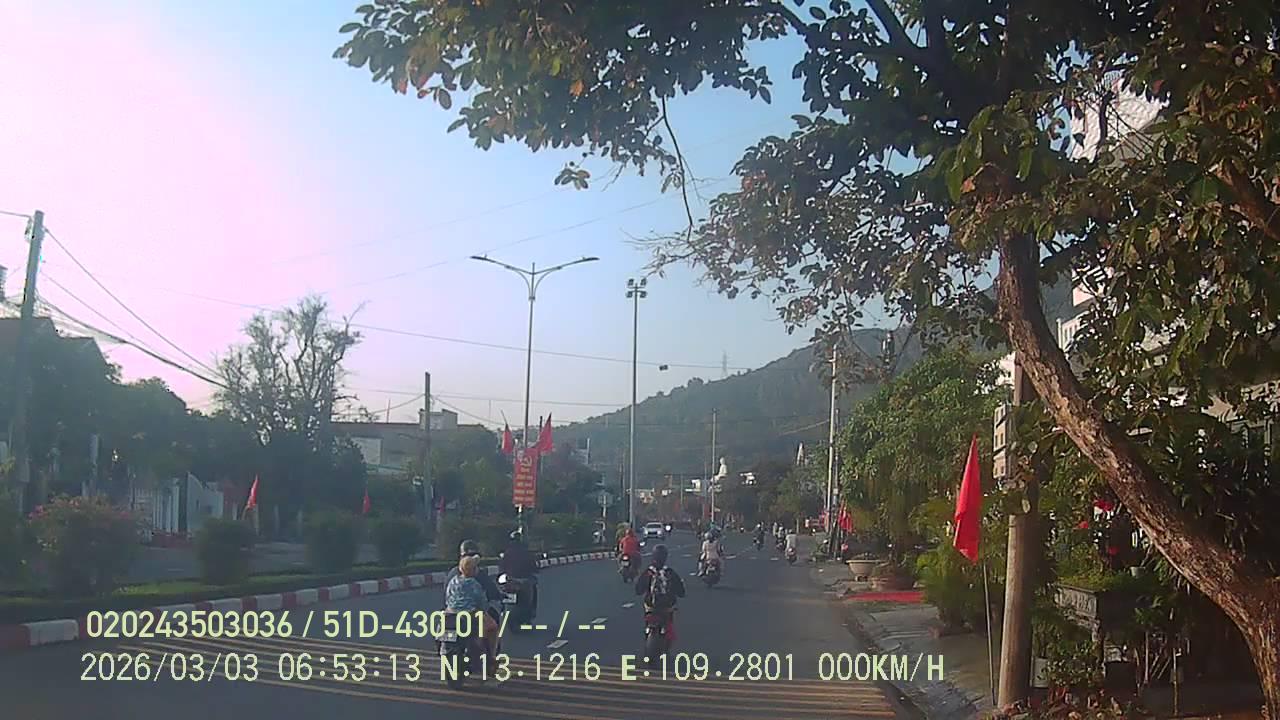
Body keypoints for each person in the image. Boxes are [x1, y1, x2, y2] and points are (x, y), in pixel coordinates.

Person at [444, 555, 499, 663]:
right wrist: (484, 610)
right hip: (470, 614)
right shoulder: (474, 584)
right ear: (473, 570)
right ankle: (492, 656)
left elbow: (447, 598)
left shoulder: (453, 581)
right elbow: (481, 602)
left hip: (450, 613)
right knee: (493, 627)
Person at [633, 544, 685, 645]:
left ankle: (647, 632)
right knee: (669, 623)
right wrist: (680, 593)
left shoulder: (648, 572)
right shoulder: (670, 572)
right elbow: (680, 590)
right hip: (667, 606)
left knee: (648, 617)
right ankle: (667, 640)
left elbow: (638, 590)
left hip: (651, 606)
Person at [445, 540, 502, 620]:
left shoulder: (452, 577)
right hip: (472, 615)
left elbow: (446, 596)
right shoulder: (477, 577)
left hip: (452, 613)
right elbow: (488, 596)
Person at [500, 529, 538, 616]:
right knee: (533, 586)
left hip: (510, 579)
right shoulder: (526, 552)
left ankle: (503, 609)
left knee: (502, 589)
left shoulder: (507, 552)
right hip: (523, 579)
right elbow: (533, 566)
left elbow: (501, 567)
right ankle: (532, 611)